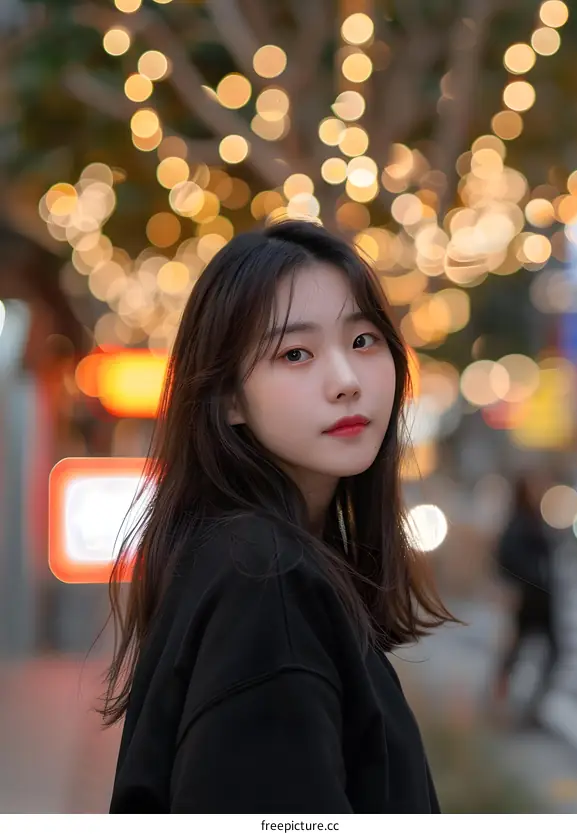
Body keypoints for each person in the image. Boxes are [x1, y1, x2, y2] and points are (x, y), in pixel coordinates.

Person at [103, 220, 458, 813]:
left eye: (363, 341)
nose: (346, 382)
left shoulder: (241, 558)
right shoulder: (266, 582)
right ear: (227, 398)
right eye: (296, 354)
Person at [491, 472, 560, 728]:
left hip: (542, 600)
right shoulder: (518, 524)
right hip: (526, 599)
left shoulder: (536, 519)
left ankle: (529, 706)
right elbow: (506, 560)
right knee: (513, 653)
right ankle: (500, 704)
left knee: (548, 652)